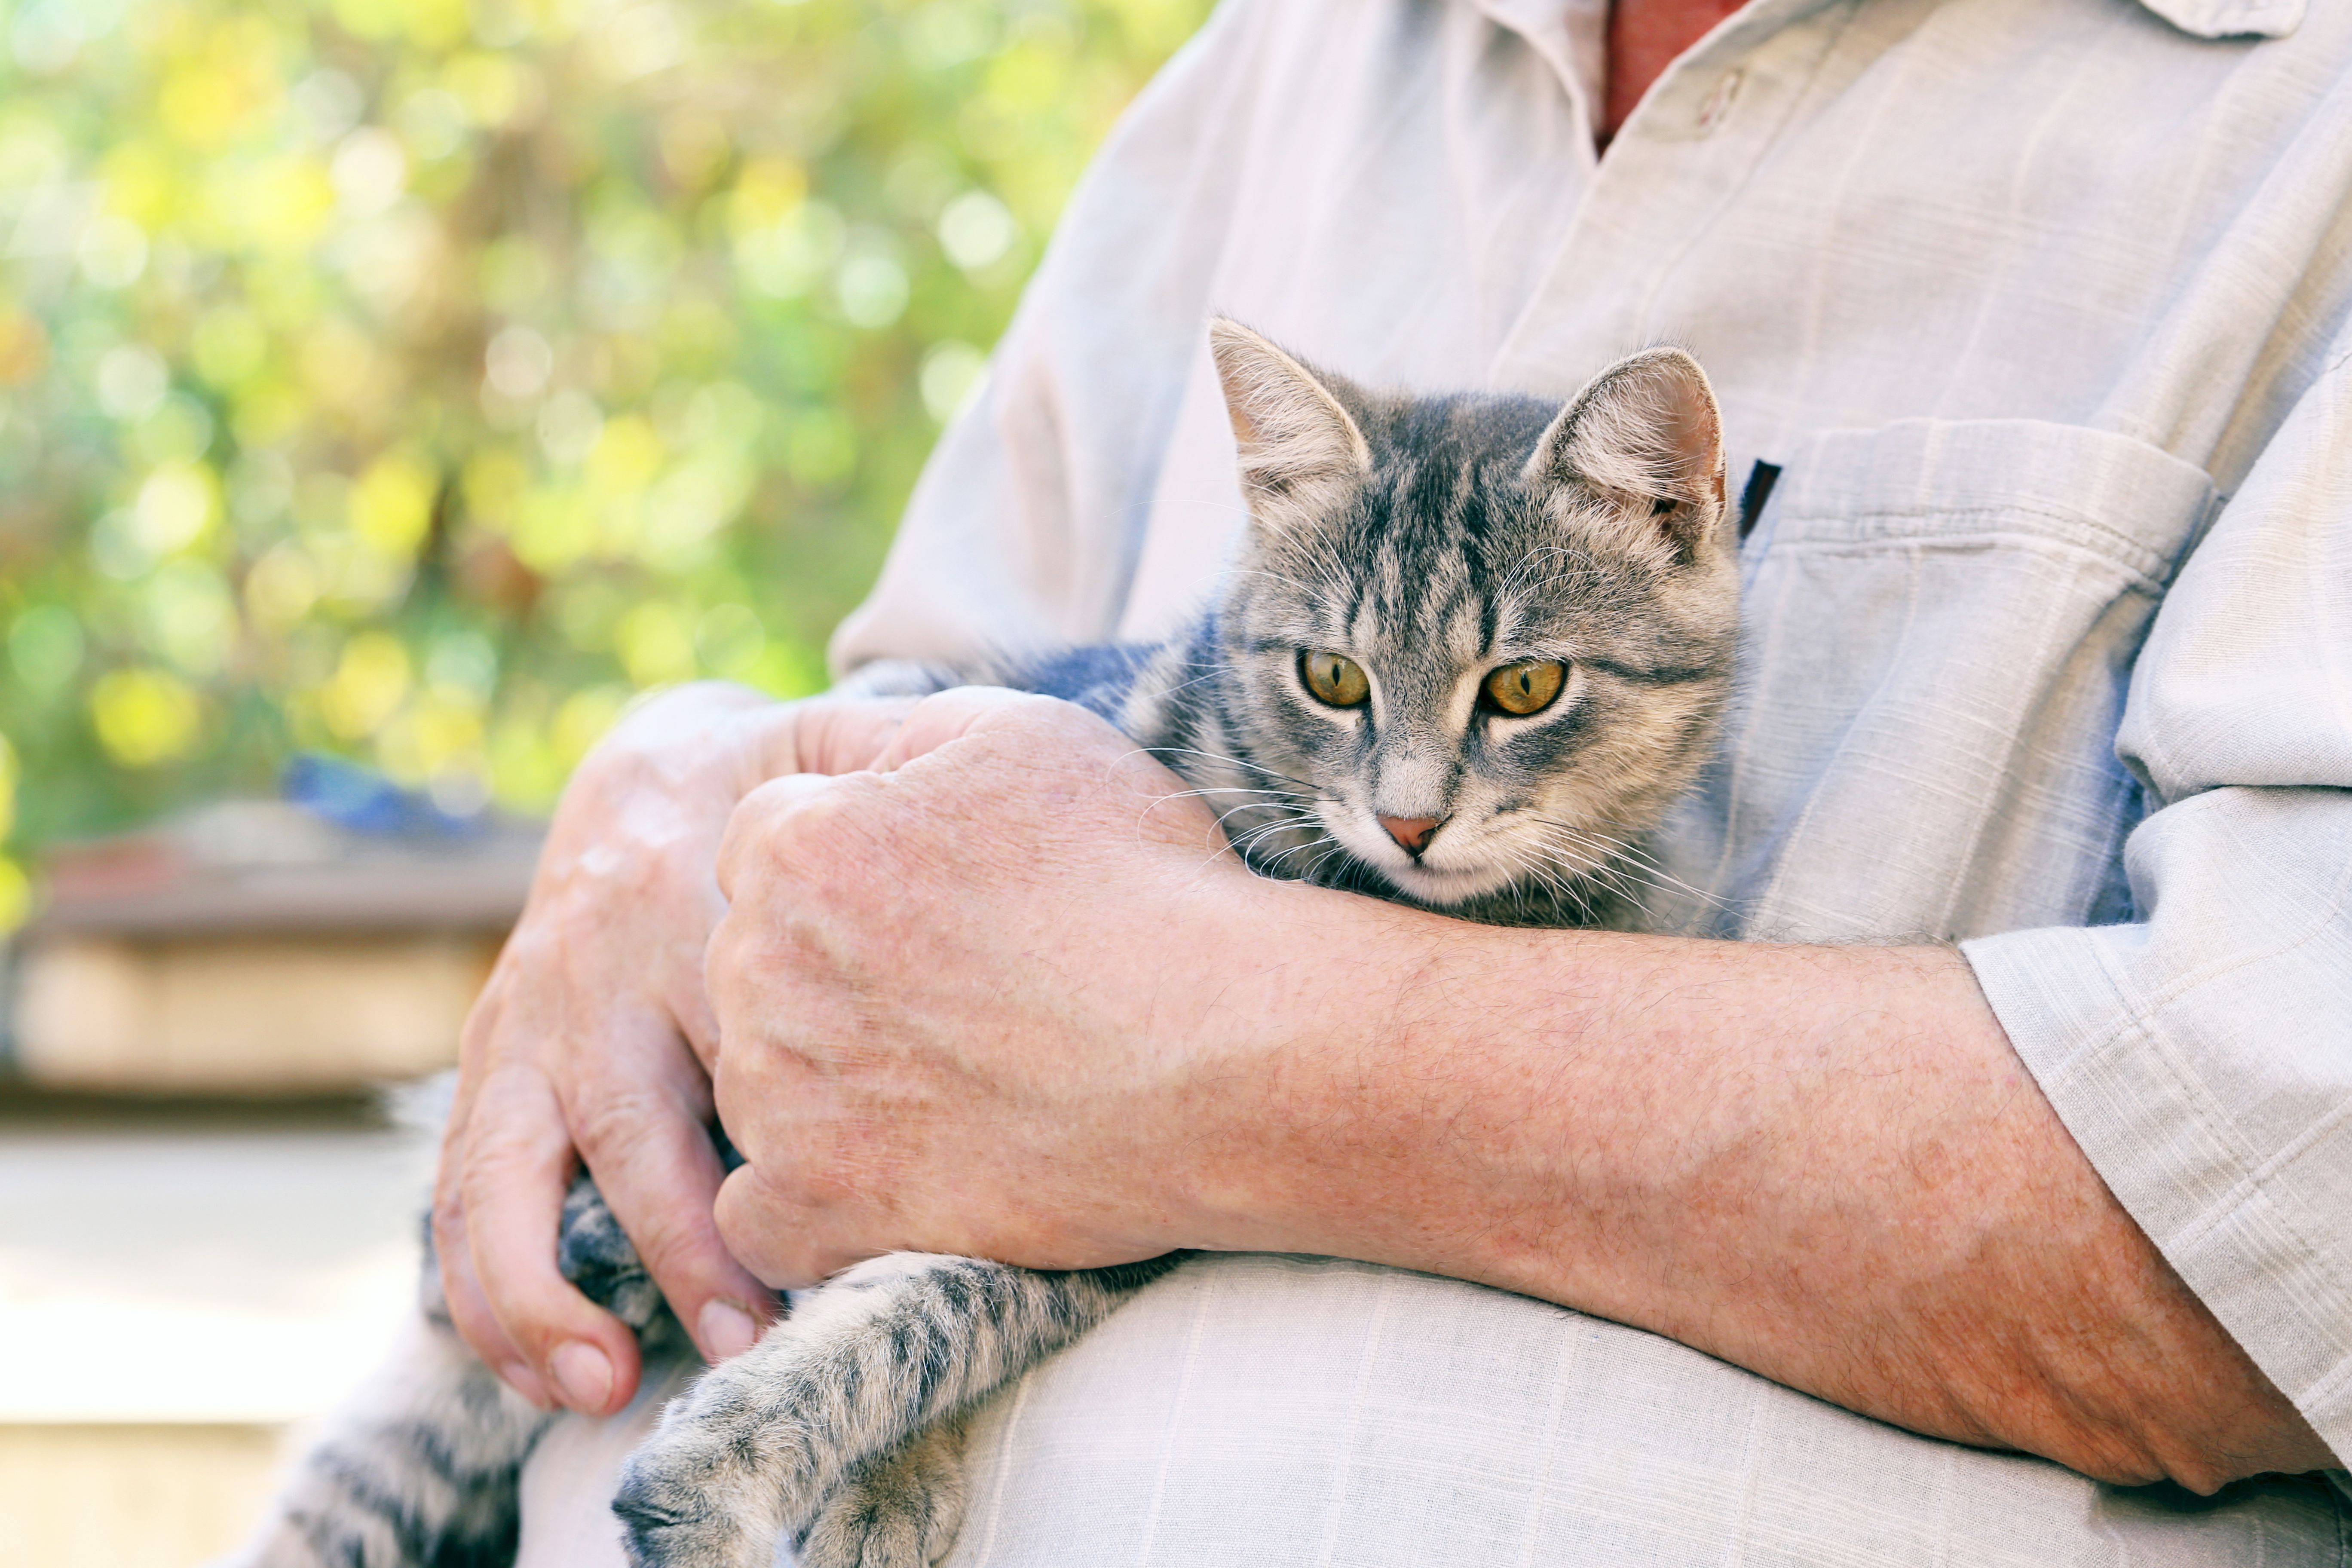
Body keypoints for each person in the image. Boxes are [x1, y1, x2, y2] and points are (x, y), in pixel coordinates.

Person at [439, 0, 2352, 1561]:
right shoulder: (1287, 58)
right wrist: (671, 779)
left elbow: (2300, 1201)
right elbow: (884, 758)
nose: (1418, 797)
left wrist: (1189, 1034)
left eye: (1515, 691)